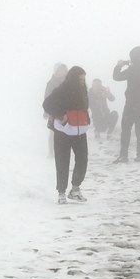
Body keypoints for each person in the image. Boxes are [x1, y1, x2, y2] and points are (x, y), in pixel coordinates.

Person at [43, 66, 90, 204]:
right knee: (62, 161)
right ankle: (61, 192)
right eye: (80, 79)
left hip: (80, 130)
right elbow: (46, 104)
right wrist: (61, 113)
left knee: (82, 160)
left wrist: (86, 118)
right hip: (62, 130)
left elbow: (84, 106)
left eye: (84, 79)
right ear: (74, 78)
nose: (82, 81)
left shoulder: (83, 89)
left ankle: (75, 189)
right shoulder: (62, 89)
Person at [112, 46, 140, 163]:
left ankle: (123, 155)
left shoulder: (132, 70)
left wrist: (120, 65)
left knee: (126, 131)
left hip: (131, 105)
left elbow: (116, 77)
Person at [44, 63, 68, 157]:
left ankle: (63, 151)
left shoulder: (68, 81)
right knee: (54, 131)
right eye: (60, 70)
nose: (63, 72)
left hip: (67, 109)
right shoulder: (52, 82)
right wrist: (47, 112)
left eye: (64, 69)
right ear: (56, 71)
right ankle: (51, 152)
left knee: (66, 131)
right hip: (54, 110)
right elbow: (47, 97)